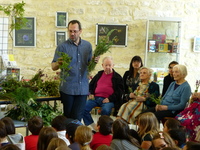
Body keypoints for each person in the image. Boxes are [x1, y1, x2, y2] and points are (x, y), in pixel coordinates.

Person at [51, 20, 93, 121]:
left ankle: (76, 136)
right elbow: (53, 66)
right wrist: (58, 63)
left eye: (75, 31)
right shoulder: (62, 47)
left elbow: (90, 65)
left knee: (78, 118)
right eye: (70, 31)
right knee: (68, 117)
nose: (72, 34)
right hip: (68, 88)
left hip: (82, 88)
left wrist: (94, 61)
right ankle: (67, 136)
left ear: (80, 31)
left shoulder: (87, 46)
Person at [83, 56, 124, 129]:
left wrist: (110, 99)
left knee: (105, 110)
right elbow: (90, 86)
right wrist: (91, 93)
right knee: (83, 108)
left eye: (110, 65)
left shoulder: (117, 77)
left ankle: (103, 128)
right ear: (102, 65)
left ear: (113, 65)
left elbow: (120, 92)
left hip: (108, 100)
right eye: (106, 65)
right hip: (95, 98)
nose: (108, 67)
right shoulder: (99, 74)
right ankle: (92, 126)